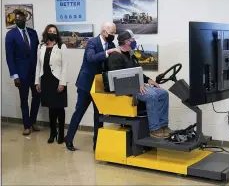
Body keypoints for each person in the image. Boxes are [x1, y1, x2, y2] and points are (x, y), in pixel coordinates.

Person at [105, 30, 172, 138]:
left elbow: (137, 72)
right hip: (124, 88)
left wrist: (148, 80)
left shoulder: (131, 55)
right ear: (127, 41)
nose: (134, 41)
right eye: (132, 39)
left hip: (136, 85)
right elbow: (117, 78)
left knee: (163, 93)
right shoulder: (115, 57)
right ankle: (154, 129)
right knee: (152, 96)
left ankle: (163, 125)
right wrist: (135, 85)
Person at [65, 22, 121, 151]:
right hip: (86, 84)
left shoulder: (111, 44)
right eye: (111, 33)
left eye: (114, 33)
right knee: (79, 112)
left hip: (99, 85)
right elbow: (90, 58)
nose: (113, 36)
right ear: (103, 32)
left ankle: (97, 144)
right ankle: (69, 139)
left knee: (99, 116)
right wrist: (108, 52)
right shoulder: (92, 43)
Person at [5, 10, 41, 135]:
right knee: (24, 99)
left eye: (21, 19)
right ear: (15, 20)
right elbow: (9, 56)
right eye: (17, 19)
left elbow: (38, 51)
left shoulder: (32, 32)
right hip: (21, 74)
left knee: (37, 97)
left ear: (26, 19)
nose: (19, 21)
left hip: (34, 72)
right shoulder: (10, 35)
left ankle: (33, 121)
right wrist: (15, 75)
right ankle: (26, 126)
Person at [35, 24, 68, 144]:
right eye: (50, 31)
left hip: (58, 80)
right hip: (46, 80)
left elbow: (65, 66)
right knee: (51, 108)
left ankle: (61, 134)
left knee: (59, 108)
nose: (52, 33)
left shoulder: (61, 46)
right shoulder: (41, 46)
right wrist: (37, 81)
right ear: (46, 32)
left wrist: (62, 82)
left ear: (57, 34)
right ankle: (53, 132)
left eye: (54, 31)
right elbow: (38, 65)